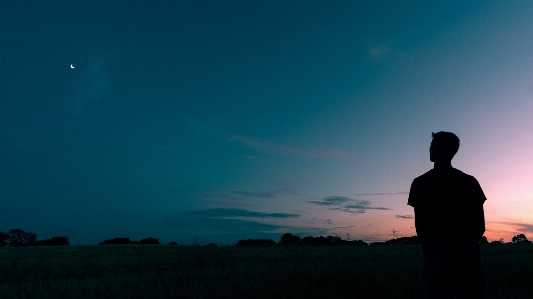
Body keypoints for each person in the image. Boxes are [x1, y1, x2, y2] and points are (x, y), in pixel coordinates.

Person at [408, 132, 487, 299]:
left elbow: (420, 226)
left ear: (434, 149)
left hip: (435, 257)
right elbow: (480, 226)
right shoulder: (470, 182)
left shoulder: (420, 183)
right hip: (468, 257)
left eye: (431, 145)